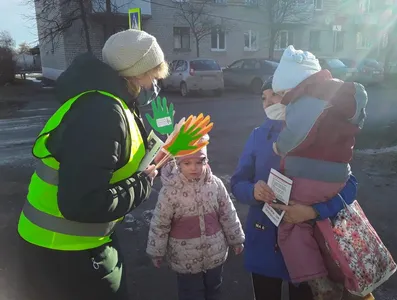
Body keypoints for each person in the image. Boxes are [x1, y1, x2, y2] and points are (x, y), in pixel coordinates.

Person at [17, 29, 168, 300]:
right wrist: (144, 182)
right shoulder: (101, 113)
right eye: (154, 76)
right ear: (136, 74)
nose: (156, 84)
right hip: (62, 252)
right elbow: (82, 203)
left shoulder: (111, 103)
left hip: (78, 243)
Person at [230, 78, 359, 300]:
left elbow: (350, 187)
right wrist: (253, 191)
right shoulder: (257, 136)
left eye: (276, 95)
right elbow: (237, 182)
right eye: (264, 97)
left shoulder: (319, 133)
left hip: (306, 248)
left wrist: (314, 211)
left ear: (293, 97)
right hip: (263, 242)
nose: (268, 102)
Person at [270, 45, 368, 300]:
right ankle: (353, 277)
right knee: (337, 232)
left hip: (308, 178)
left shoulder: (305, 100)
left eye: (281, 93)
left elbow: (296, 134)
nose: (281, 99)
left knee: (291, 227)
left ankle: (317, 282)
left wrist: (279, 147)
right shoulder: (338, 97)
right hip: (338, 176)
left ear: (293, 84)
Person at [147, 135, 245, 300]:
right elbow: (160, 223)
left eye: (199, 162)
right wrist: (157, 251)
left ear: (206, 161)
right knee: (191, 294)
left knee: (214, 291)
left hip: (215, 253)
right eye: (187, 163)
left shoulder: (215, 184)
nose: (194, 167)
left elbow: (228, 213)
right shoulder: (171, 191)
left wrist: (236, 239)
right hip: (185, 257)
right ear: (179, 164)